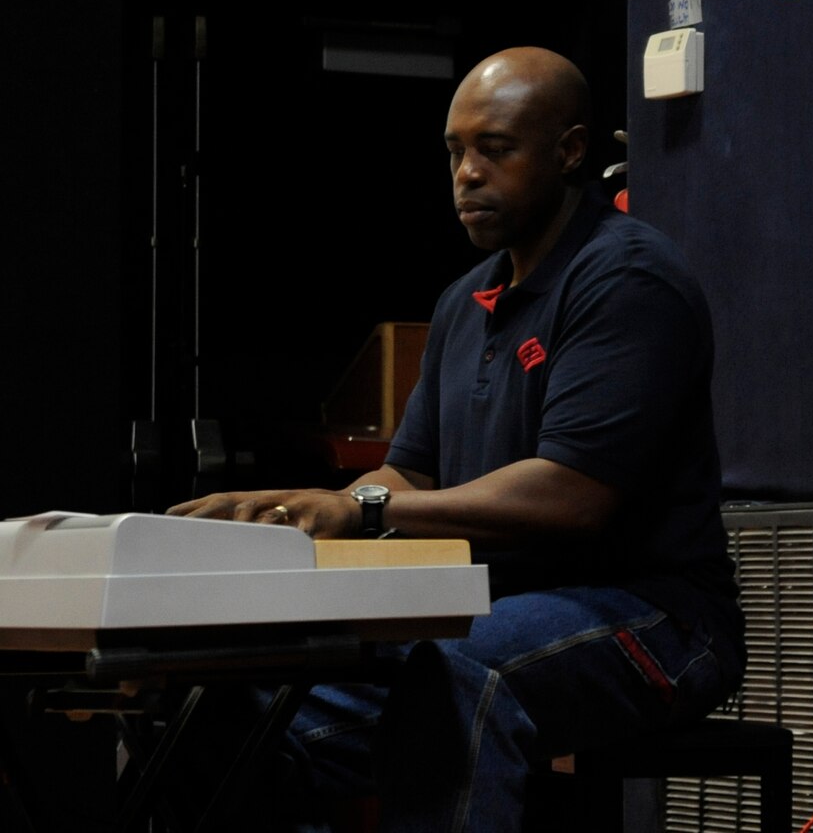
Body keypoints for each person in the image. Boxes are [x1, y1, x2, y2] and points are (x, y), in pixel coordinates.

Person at [169, 46, 742, 832]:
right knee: (244, 705)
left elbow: (570, 495)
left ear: (570, 151)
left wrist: (366, 513)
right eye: (455, 153)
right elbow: (409, 474)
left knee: (455, 672)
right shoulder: (463, 301)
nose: (466, 174)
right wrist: (294, 519)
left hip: (657, 618)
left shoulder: (627, 278)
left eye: (495, 150)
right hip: (486, 608)